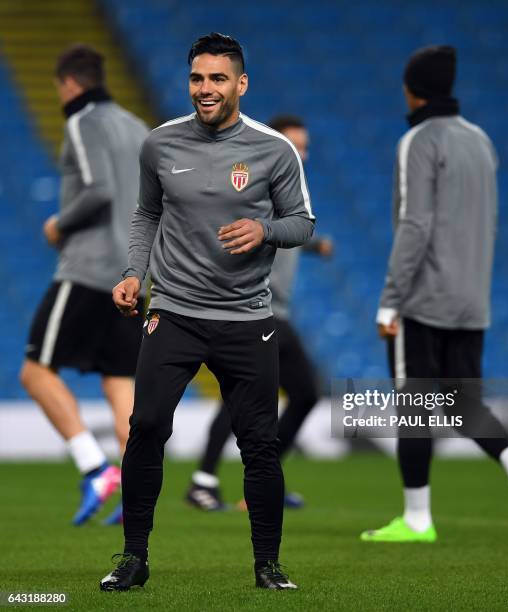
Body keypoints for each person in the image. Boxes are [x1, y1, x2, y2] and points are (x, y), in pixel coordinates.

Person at [101, 33, 314, 591]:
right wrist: (132, 273)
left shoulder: (274, 149)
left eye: (218, 79)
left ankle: (268, 565)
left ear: (240, 84)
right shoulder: (160, 145)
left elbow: (303, 223)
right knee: (145, 427)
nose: (205, 88)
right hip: (173, 311)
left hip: (247, 318)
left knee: (260, 444)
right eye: (197, 78)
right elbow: (146, 214)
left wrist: (264, 228)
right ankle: (133, 558)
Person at [361, 46, 508, 544]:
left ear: (412, 89)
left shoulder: (418, 140)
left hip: (424, 298)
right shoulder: (481, 141)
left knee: (415, 404)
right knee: (464, 404)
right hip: (473, 297)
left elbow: (415, 224)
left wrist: (391, 299)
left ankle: (418, 518)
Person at [20, 44, 149, 526]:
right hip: (134, 275)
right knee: (121, 387)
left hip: (90, 270)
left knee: (35, 373)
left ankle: (95, 469)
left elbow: (98, 190)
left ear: (69, 84)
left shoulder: (81, 120)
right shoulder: (136, 126)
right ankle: (137, 494)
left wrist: (59, 224)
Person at [185, 114, 333, 512]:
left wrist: (315, 245)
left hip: (277, 312)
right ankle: (205, 482)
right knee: (245, 396)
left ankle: (256, 483)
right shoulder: (254, 183)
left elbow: (288, 229)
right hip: (254, 308)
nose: (300, 154)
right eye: (293, 145)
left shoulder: (285, 188)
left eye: (304, 147)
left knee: (301, 394)